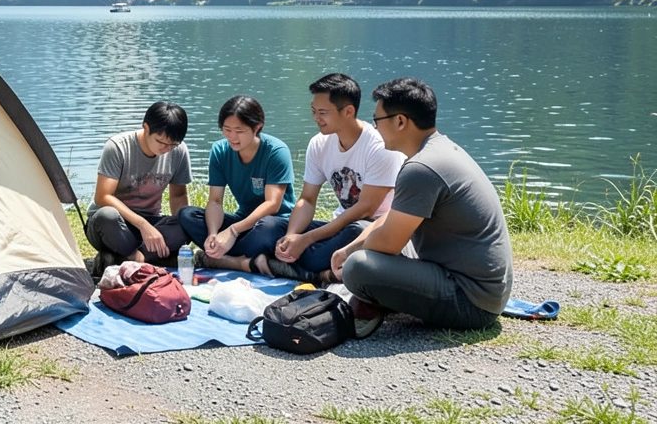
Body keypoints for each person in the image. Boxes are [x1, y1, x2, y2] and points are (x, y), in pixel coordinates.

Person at [331, 78, 513, 336]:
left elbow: (388, 243)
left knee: (358, 267)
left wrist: (350, 255)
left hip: (471, 301)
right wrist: (349, 247)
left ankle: (374, 300)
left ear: (401, 121)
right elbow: (392, 219)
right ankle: (380, 295)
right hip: (479, 288)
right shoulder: (438, 149)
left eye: (378, 120)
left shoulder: (421, 169)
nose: (375, 128)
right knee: (365, 239)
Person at [264, 73, 402, 284]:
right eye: (313, 111)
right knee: (270, 228)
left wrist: (307, 239)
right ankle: (307, 266)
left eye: (322, 112)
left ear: (348, 111)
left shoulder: (379, 147)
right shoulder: (319, 144)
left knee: (353, 232)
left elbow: (367, 209)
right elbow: (308, 199)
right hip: (337, 225)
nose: (316, 118)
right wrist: (292, 236)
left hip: (370, 228)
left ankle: (287, 265)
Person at [177, 95, 294, 273]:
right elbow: (215, 200)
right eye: (227, 129)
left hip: (276, 222)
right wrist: (213, 234)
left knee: (266, 227)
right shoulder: (220, 150)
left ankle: (221, 260)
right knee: (187, 215)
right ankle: (242, 260)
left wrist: (232, 232)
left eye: (239, 131)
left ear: (257, 127)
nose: (232, 137)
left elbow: (272, 204)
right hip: (242, 221)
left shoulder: (276, 151)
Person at [85, 102, 193, 278]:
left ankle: (135, 257)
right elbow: (103, 197)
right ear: (146, 128)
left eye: (171, 145)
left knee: (189, 219)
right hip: (113, 224)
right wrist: (142, 225)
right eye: (160, 142)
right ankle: (144, 256)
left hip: (149, 221)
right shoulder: (118, 147)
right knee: (107, 216)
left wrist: (181, 230)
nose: (165, 149)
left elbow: (179, 196)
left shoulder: (179, 151)